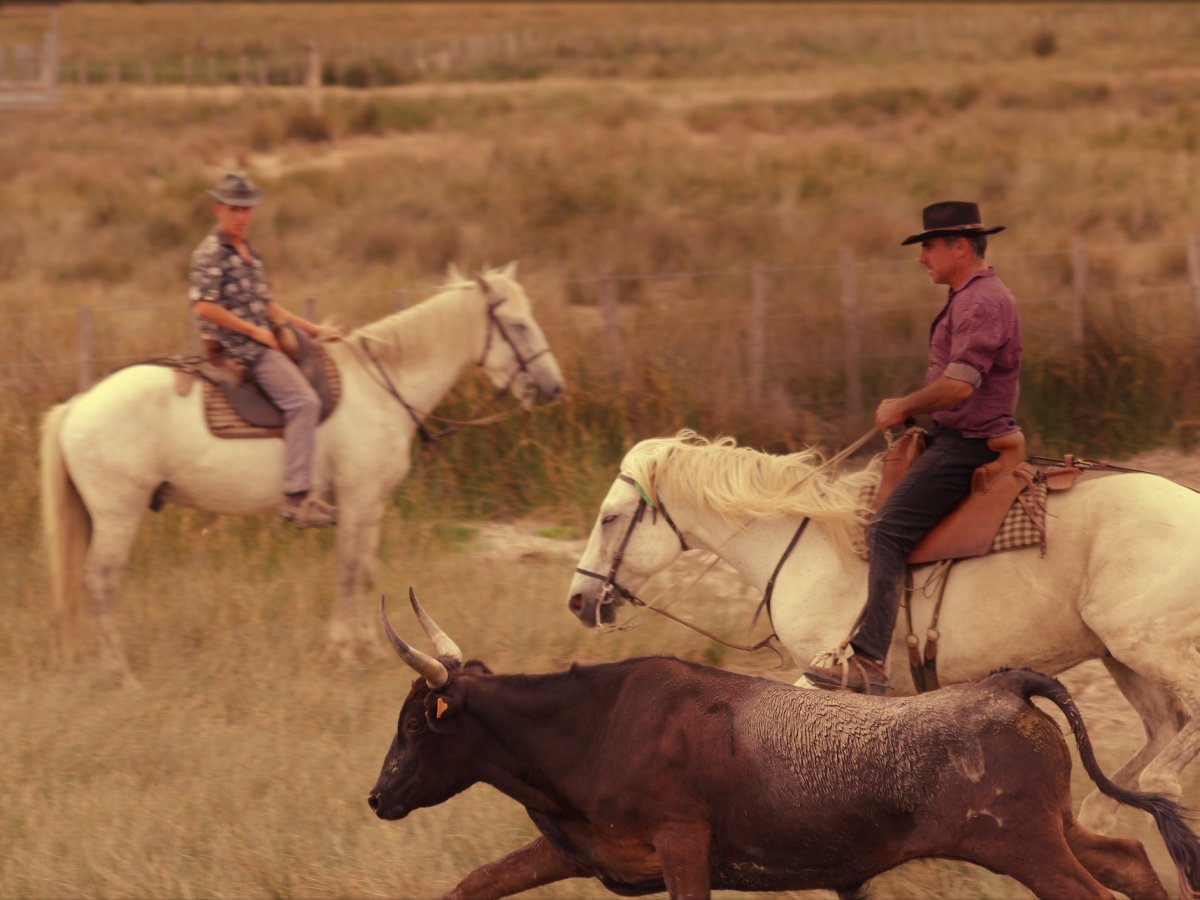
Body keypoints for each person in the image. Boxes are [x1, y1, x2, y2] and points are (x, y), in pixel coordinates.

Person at [804, 201, 1023, 694]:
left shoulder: (980, 302)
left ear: (959, 247)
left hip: (968, 444)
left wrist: (903, 407)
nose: (922, 258)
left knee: (885, 529)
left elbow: (961, 385)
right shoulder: (970, 296)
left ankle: (869, 660)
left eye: (927, 247)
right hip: (957, 434)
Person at [189, 171, 341, 528]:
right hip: (243, 351)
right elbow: (204, 307)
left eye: (246, 208)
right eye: (233, 208)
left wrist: (314, 330)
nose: (240, 216)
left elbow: (267, 306)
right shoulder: (211, 253)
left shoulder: (249, 253)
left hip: (259, 339)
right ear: (217, 209)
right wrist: (253, 331)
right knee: (304, 402)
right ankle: (296, 498)